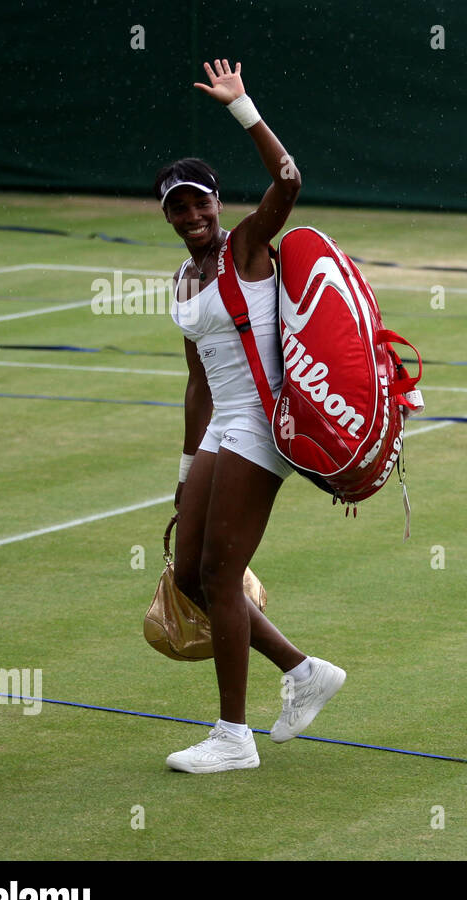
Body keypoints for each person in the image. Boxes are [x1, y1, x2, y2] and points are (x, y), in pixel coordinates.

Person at [157, 60, 344, 773]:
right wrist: (182, 473)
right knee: (188, 577)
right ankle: (302, 671)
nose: (194, 216)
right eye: (180, 208)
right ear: (169, 216)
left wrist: (244, 109)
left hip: (264, 425)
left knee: (221, 572)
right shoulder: (181, 279)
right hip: (219, 427)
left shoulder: (244, 246)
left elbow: (289, 180)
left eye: (201, 203)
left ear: (214, 202)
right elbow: (197, 380)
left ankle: (233, 736)